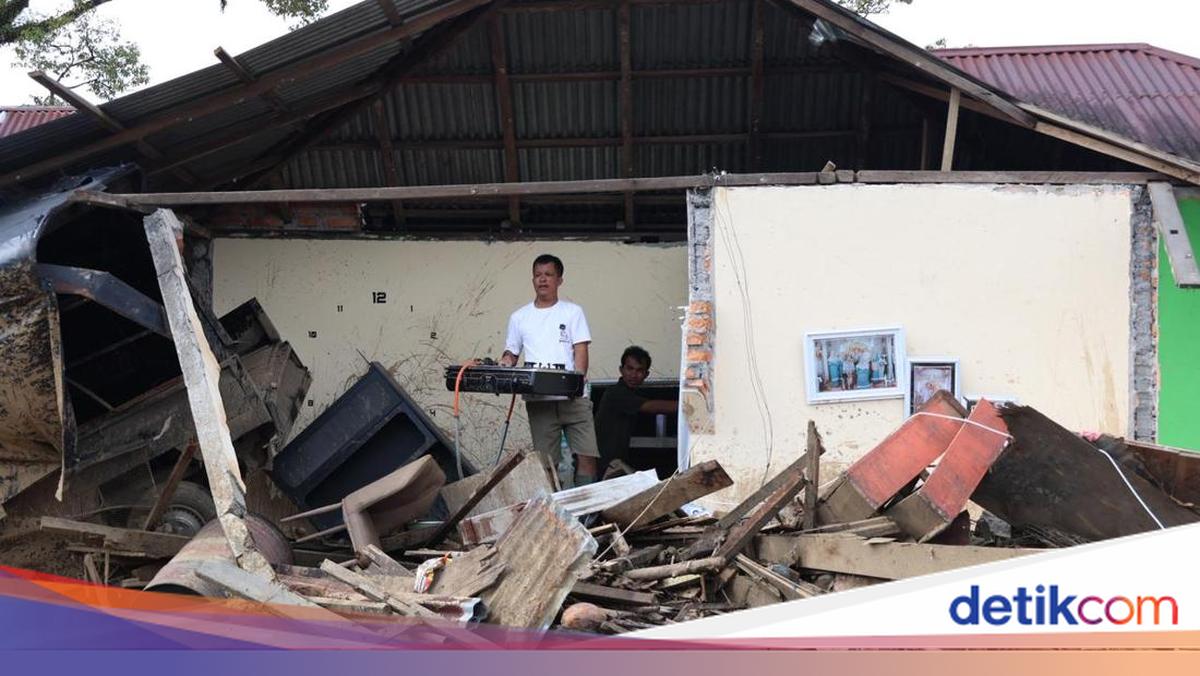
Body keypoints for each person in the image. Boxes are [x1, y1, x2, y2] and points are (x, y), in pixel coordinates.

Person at [499, 254, 601, 486]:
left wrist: (577, 383)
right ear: (532, 279)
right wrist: (504, 362)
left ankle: (587, 515)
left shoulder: (573, 312)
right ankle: (555, 514)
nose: (542, 280)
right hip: (539, 400)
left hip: (574, 398)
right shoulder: (519, 317)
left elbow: (581, 350)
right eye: (537, 275)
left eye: (548, 275)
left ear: (559, 280)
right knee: (546, 463)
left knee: (587, 455)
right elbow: (511, 353)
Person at [594, 346, 679, 469]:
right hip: (603, 465)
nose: (633, 375)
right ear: (621, 370)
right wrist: (687, 404)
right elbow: (651, 406)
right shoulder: (615, 393)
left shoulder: (631, 394)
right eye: (630, 369)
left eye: (639, 370)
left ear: (646, 374)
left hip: (616, 464)